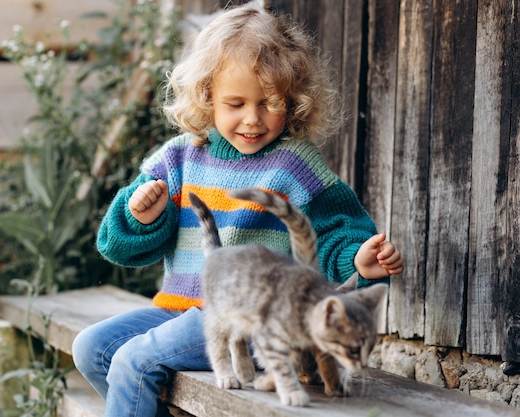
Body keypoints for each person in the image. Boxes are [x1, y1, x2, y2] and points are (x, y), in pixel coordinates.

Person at [72, 3, 404, 416]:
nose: (252, 119)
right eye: (235, 104)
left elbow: (337, 229)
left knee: (132, 361)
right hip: (178, 310)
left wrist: (360, 259)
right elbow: (118, 247)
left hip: (251, 321)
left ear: (294, 101)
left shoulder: (293, 164)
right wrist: (141, 216)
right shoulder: (179, 158)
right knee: (91, 348)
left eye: (269, 103)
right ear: (207, 96)